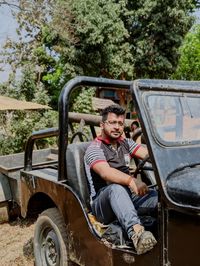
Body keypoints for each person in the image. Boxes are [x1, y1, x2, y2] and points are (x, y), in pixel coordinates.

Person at [84, 104, 157, 255]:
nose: (117, 127)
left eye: (120, 123)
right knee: (116, 189)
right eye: (112, 123)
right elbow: (106, 173)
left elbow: (148, 155)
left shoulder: (125, 143)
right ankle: (136, 233)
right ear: (102, 125)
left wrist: (161, 156)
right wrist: (132, 181)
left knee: (159, 198)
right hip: (103, 204)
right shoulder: (94, 149)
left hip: (129, 197)